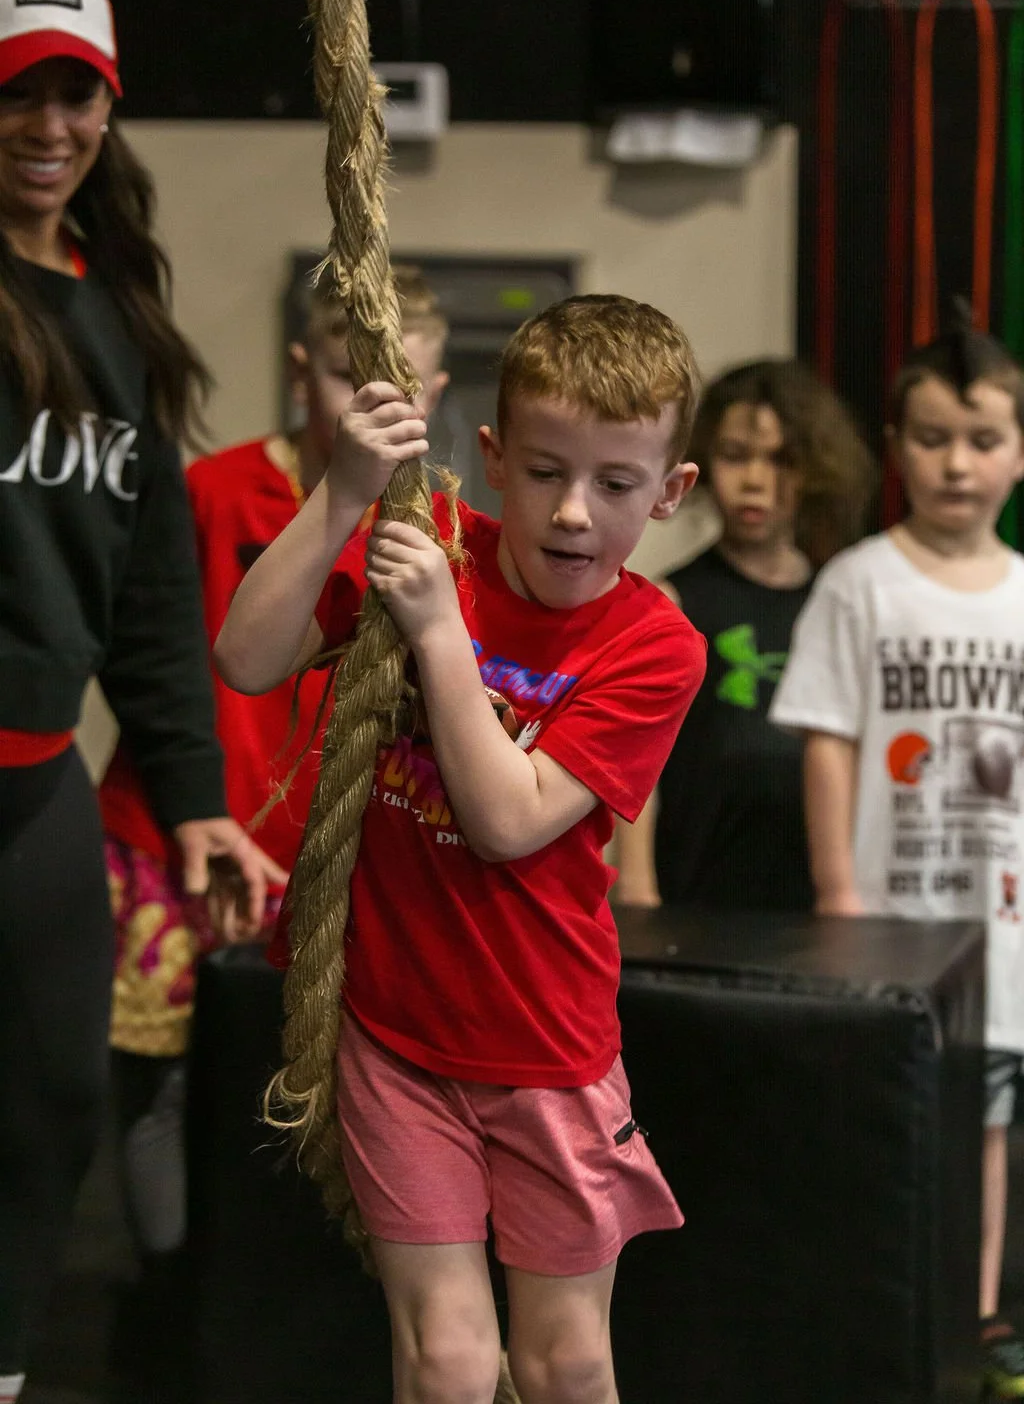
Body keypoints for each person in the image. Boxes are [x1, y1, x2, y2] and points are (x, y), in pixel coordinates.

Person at [215, 293, 708, 1404]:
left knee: (564, 1360)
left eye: (615, 484)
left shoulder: (652, 644)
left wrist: (440, 635)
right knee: (443, 1361)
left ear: (670, 493)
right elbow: (247, 659)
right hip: (398, 1037)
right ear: (489, 457)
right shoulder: (437, 552)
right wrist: (342, 491)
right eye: (542, 471)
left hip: (547, 1049)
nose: (574, 512)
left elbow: (509, 819)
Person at [0, 0, 277, 1404]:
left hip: (36, 782)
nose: (49, 127)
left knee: (52, 1106)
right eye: (18, 97)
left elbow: (156, 599)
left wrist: (194, 800)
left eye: (76, 96)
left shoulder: (113, 318)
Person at [96, 266, 450, 1367]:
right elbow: (152, 654)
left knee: (319, 1104)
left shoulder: (433, 524)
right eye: (350, 377)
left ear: (434, 391)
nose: (373, 404)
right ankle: (163, 1299)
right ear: (303, 372)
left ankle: (276, 1319)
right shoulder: (213, 490)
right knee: (150, 1084)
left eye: (399, 384)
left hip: (329, 868)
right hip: (173, 842)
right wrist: (205, 813)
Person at [768, 325, 1024, 1398]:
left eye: (980, 439)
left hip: (999, 933)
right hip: (884, 928)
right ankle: (870, 1321)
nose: (955, 464)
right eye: (931, 439)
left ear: (1016, 451)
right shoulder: (855, 584)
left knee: (988, 1132)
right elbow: (827, 741)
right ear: (895, 448)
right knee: (882, 1126)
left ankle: (968, 1329)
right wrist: (838, 896)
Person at [612, 360, 875, 911]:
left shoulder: (841, 602)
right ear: (704, 461)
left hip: (811, 898)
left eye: (781, 460)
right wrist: (637, 892)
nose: (756, 480)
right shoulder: (671, 602)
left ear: (816, 469)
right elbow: (638, 770)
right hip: (696, 891)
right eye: (735, 456)